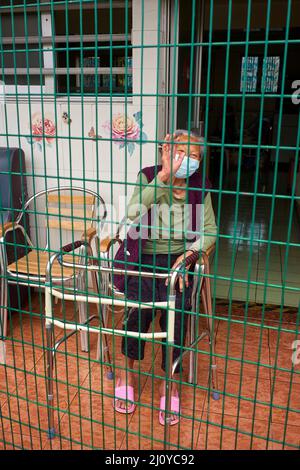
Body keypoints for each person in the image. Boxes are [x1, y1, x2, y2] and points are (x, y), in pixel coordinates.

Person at [113, 129, 217, 425]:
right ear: (165, 152)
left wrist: (188, 257)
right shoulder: (148, 176)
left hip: (179, 261)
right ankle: (127, 371)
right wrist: (163, 177)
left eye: (194, 155)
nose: (188, 160)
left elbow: (209, 230)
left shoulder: (200, 186)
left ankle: (168, 380)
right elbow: (132, 212)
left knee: (178, 316)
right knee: (137, 313)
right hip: (143, 256)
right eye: (181, 153)